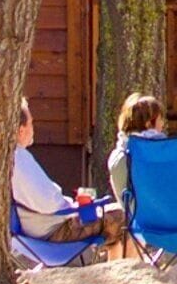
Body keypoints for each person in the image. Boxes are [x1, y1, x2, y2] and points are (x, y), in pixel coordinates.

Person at [10, 99, 125, 256]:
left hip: (40, 228)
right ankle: (123, 274)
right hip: (54, 231)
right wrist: (73, 206)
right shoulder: (19, 158)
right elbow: (47, 202)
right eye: (31, 123)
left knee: (109, 212)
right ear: (21, 130)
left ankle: (116, 271)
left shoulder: (13, 158)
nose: (33, 128)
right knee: (123, 217)